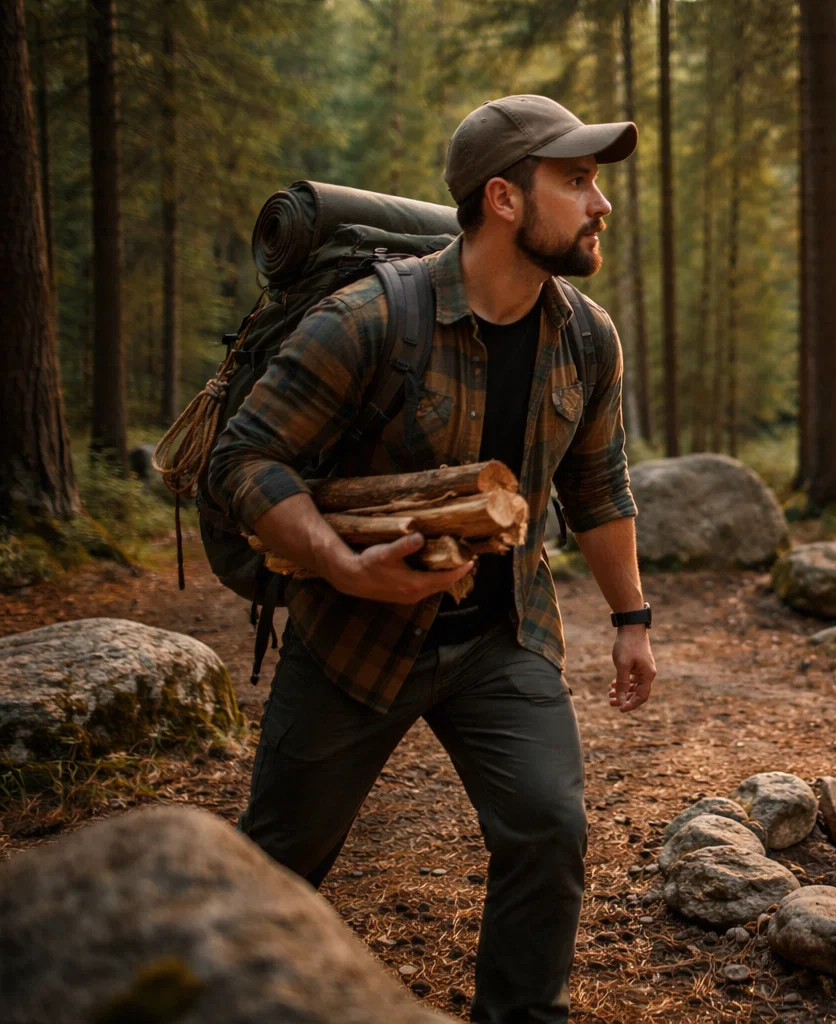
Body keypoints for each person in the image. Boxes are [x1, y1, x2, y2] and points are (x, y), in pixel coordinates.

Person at [205, 95, 657, 1024]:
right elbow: (244, 459)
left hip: (504, 636)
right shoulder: (370, 318)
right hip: (352, 643)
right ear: (502, 198)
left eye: (597, 182)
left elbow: (600, 489)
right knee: (279, 863)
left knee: (548, 829)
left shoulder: (586, 337)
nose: (600, 204)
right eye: (575, 181)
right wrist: (338, 565)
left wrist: (631, 620)